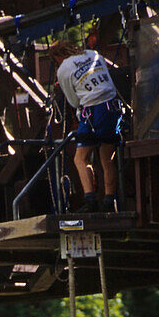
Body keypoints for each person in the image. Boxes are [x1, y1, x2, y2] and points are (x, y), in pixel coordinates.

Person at [49, 40, 123, 213]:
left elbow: (74, 101)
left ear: (57, 57)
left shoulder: (63, 69)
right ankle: (109, 201)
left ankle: (90, 200)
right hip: (112, 106)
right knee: (107, 158)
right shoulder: (93, 54)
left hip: (93, 111)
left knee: (80, 158)